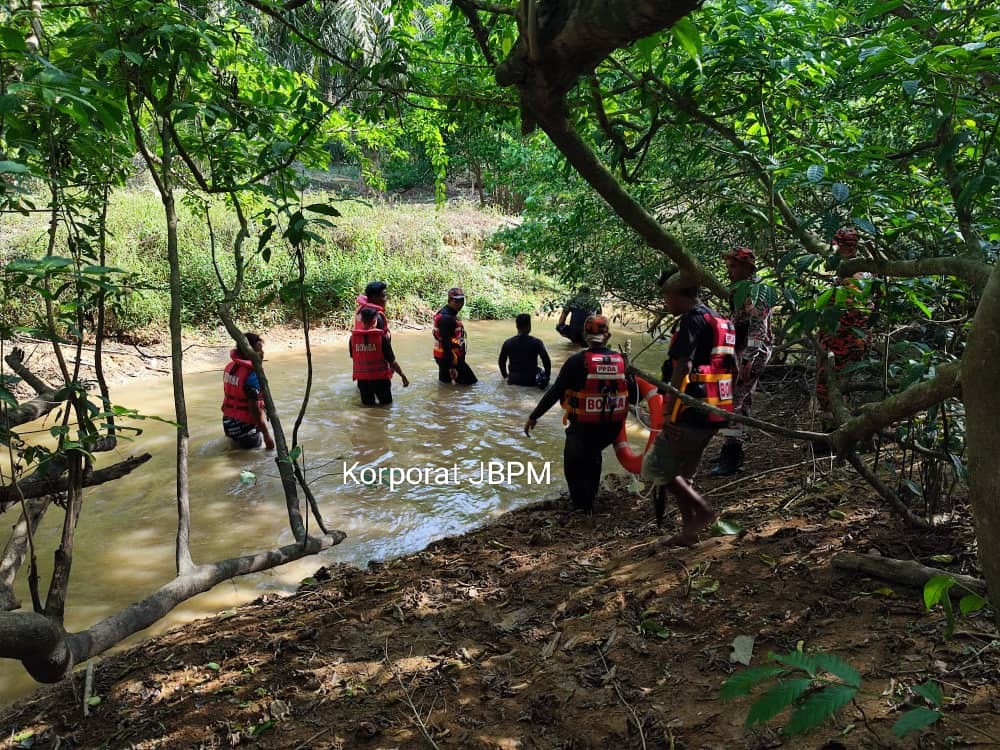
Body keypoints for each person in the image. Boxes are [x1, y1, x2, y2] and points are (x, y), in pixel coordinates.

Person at [642, 270, 736, 546]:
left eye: (666, 296)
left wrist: (669, 408)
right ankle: (689, 533)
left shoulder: (693, 320)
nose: (665, 303)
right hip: (717, 408)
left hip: (690, 410)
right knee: (685, 472)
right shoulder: (721, 319)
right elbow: (734, 364)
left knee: (657, 467)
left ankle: (704, 511)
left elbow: (683, 365)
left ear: (680, 294)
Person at [524, 315, 628, 513]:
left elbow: (556, 392)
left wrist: (534, 416)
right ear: (608, 336)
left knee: (573, 464)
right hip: (610, 429)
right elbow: (630, 390)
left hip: (583, 428)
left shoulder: (577, 362)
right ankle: (589, 500)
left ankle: (581, 505)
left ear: (585, 336)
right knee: (593, 456)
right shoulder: (620, 361)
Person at [710, 247, 775, 476]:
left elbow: (758, 327)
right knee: (742, 401)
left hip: (750, 353)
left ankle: (732, 458)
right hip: (741, 350)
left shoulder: (758, 291)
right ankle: (732, 448)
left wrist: (748, 359)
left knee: (732, 402)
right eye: (728, 267)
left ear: (748, 267)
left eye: (734, 266)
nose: (730, 272)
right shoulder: (742, 288)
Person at [816, 227, 870, 426]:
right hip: (840, 341)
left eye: (838, 246)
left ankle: (837, 432)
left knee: (831, 389)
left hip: (844, 343)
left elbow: (852, 311)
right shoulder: (849, 271)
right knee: (834, 388)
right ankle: (834, 430)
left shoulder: (856, 276)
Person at [221, 332, 275, 450]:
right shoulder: (252, 375)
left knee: (237, 455)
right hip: (245, 426)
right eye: (259, 349)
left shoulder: (230, 367)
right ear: (248, 351)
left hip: (228, 422)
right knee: (257, 459)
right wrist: (267, 436)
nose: (262, 353)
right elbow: (254, 410)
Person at [350, 306, 409, 405]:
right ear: (374, 321)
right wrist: (403, 376)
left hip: (363, 382)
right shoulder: (381, 338)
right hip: (381, 380)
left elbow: (353, 357)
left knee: (368, 409)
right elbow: (392, 362)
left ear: (362, 320)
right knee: (386, 408)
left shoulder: (353, 339)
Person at [433, 286, 477, 385]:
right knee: (471, 384)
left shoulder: (448, 313)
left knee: (445, 385)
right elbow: (445, 341)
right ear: (449, 300)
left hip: (443, 356)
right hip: (451, 357)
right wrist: (451, 365)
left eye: (462, 300)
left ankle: (445, 399)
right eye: (456, 301)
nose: (460, 304)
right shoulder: (446, 318)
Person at [499, 313, 551, 388]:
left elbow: (501, 362)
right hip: (530, 381)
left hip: (513, 379)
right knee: (540, 371)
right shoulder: (537, 342)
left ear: (516, 326)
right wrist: (547, 377)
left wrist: (505, 377)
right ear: (529, 326)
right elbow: (546, 361)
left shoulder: (508, 343)